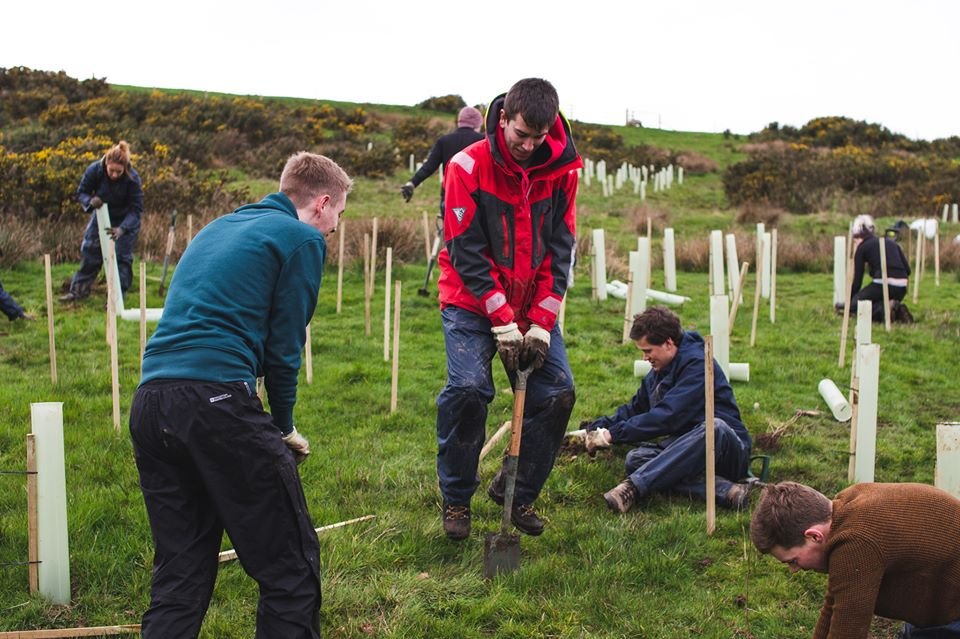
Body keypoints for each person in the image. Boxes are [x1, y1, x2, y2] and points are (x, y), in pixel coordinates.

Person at [129, 152, 351, 638]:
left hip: (151, 404)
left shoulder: (216, 228)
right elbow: (284, 348)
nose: (335, 228)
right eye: (338, 215)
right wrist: (284, 427)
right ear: (323, 203)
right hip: (216, 404)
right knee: (289, 568)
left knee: (181, 569)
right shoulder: (300, 239)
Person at [434, 78, 582, 540]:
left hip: (530, 302)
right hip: (469, 300)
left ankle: (517, 493)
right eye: (521, 135)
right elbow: (466, 251)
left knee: (558, 394)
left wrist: (540, 322)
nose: (529, 146)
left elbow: (561, 249)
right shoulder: (466, 166)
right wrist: (500, 320)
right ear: (503, 119)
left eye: (539, 137)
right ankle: (457, 500)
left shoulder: (562, 170)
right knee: (470, 390)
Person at [582, 306, 753, 514]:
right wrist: (597, 427)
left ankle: (633, 488)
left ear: (669, 343)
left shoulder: (698, 365)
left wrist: (613, 434)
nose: (645, 358)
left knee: (714, 426)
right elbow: (636, 408)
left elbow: (667, 417)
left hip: (725, 450)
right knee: (635, 459)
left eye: (648, 351)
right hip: (684, 449)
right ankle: (727, 491)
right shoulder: (660, 370)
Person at [750, 481, 960, 638]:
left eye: (793, 560)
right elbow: (834, 605)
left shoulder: (856, 542)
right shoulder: (844, 508)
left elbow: (848, 630)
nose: (794, 570)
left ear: (814, 536)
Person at [61, 140, 144, 302]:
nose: (114, 175)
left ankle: (117, 298)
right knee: (91, 252)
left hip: (125, 219)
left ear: (125, 169)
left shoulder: (133, 179)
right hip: (101, 215)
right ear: (106, 163)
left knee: (122, 258)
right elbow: (81, 192)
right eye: (111, 171)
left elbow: (136, 210)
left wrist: (122, 229)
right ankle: (78, 291)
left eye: (118, 172)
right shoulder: (94, 170)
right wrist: (90, 202)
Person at [400, 106, 484, 209]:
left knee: (449, 225)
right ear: (476, 124)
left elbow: (429, 167)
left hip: (450, 197)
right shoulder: (483, 141)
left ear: (459, 122)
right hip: (477, 199)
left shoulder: (444, 141)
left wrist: (412, 183)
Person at [848, 214, 913, 323]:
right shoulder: (891, 243)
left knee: (857, 306)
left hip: (883, 282)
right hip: (902, 286)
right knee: (877, 299)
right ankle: (895, 308)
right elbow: (908, 270)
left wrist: (850, 299)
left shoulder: (862, 248)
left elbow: (857, 281)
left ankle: (883, 310)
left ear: (858, 237)